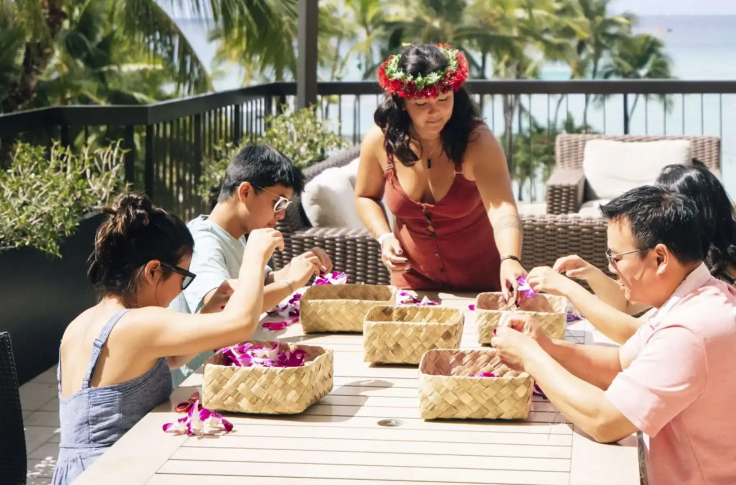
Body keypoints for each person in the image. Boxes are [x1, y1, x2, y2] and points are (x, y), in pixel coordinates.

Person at [492, 184, 736, 485]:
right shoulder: (697, 295)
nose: (611, 268)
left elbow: (604, 421)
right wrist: (545, 346)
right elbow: (620, 363)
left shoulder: (692, 329)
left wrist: (531, 359)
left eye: (616, 257)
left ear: (660, 258)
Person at [54, 193, 280, 485]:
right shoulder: (137, 322)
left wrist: (206, 315)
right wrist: (254, 258)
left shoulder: (82, 322)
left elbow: (169, 358)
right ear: (153, 270)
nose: (181, 289)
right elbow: (240, 325)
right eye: (183, 277)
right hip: (110, 474)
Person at [354, 43, 526, 294]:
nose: (435, 112)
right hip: (412, 284)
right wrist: (384, 237)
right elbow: (365, 196)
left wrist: (510, 259)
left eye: (444, 99)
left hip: (482, 284)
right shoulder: (379, 142)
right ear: (402, 102)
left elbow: (502, 209)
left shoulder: (477, 141)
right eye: (421, 104)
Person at [526, 162, 736, 344]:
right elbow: (626, 305)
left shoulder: (716, 284)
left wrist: (568, 289)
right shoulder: (692, 269)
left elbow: (634, 334)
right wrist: (591, 273)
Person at [167, 143, 332, 379]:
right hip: (200, 380)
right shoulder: (203, 243)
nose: (282, 214)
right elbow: (226, 307)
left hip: (230, 370)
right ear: (245, 192)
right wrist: (290, 284)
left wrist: (300, 266)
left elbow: (260, 282)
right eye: (279, 202)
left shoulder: (236, 235)